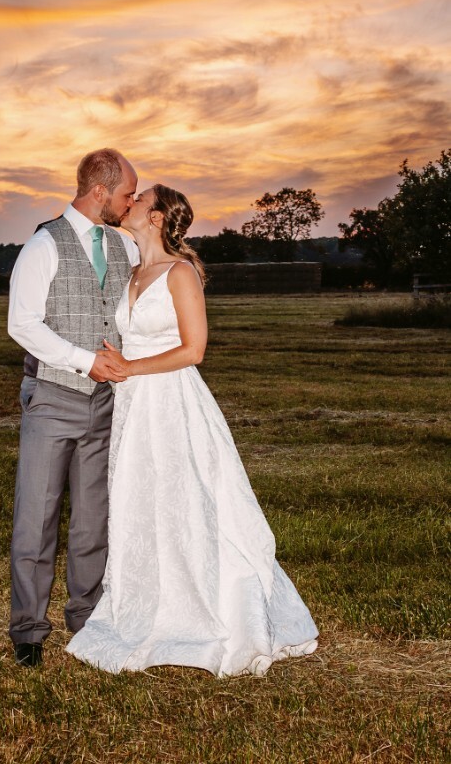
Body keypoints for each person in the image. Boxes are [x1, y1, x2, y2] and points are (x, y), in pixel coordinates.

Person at [66, 184, 318, 676]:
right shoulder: (132, 272)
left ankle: (210, 611)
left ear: (157, 217)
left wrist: (131, 367)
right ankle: (149, 605)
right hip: (133, 406)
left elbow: (193, 349)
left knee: (187, 500)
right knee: (142, 501)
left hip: (172, 401)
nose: (129, 203)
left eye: (139, 199)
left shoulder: (180, 273)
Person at [7, 148, 138, 667]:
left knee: (92, 521)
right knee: (36, 518)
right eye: (127, 194)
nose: (130, 204)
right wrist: (85, 362)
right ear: (100, 191)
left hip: (106, 405)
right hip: (53, 399)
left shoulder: (123, 245)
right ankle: (28, 631)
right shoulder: (44, 244)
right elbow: (22, 324)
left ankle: (87, 620)